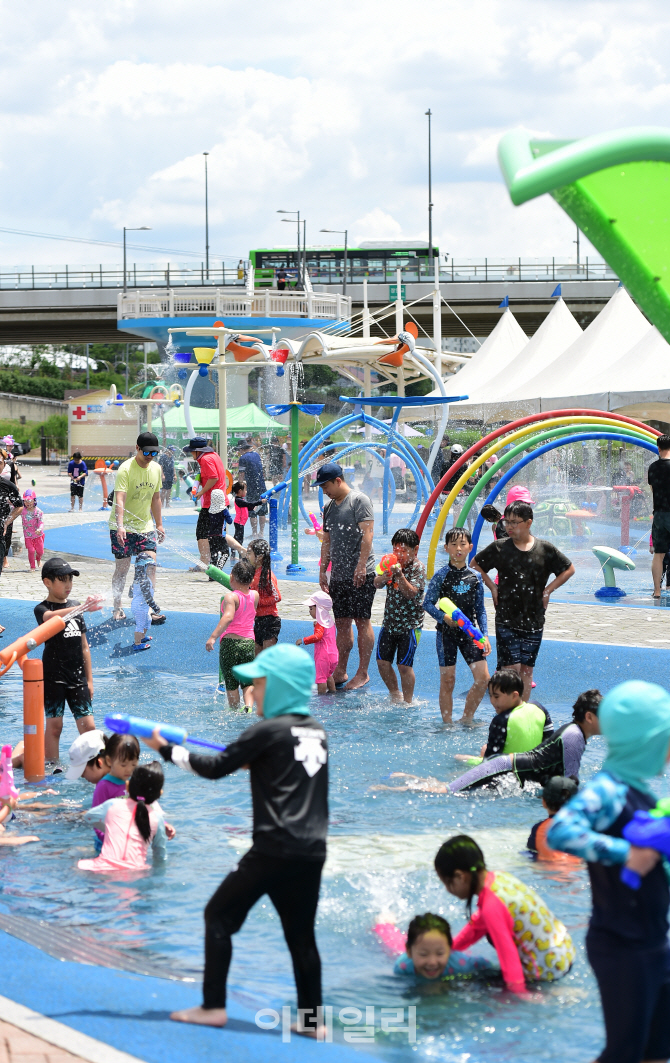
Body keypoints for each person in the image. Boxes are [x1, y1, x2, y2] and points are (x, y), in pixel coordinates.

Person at [141, 645, 328, 1037]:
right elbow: (283, 768)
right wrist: (253, 759)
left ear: (278, 688)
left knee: (218, 916)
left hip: (273, 849)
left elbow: (212, 768)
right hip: (310, 851)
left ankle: (212, 1007)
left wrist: (166, 749)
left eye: (258, 684)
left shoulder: (265, 731)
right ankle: (313, 1021)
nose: (253, 693)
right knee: (301, 936)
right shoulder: (315, 732)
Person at [548, 681, 670, 1063]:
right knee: (624, 1052)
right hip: (620, 944)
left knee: (657, 1050)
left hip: (653, 941)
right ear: (645, 742)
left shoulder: (644, 796)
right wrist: (624, 852)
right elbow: (562, 829)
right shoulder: (608, 790)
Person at [435, 835, 575, 993]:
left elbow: (508, 956)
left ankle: (550, 992)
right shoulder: (499, 877)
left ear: (460, 877)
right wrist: (450, 948)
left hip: (547, 970)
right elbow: (477, 926)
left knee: (470, 985)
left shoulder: (491, 906)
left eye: (446, 883)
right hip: (564, 953)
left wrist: (518, 994)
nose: (448, 889)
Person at [472, 499, 575, 699]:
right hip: (506, 619)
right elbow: (475, 565)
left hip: (534, 619)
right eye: (506, 522)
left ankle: (522, 713)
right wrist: (492, 587)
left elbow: (568, 569)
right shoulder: (500, 547)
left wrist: (547, 591)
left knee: (526, 671)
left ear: (528, 523)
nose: (508, 526)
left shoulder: (544, 549)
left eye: (514, 522)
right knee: (511, 670)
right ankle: (505, 715)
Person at [449, 686, 600, 795]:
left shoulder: (575, 733)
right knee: (444, 791)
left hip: (505, 768)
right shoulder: (575, 736)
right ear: (589, 717)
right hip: (502, 769)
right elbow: (570, 785)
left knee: (447, 789)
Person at [35, 558, 102, 763]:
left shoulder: (76, 608)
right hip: (53, 677)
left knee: (89, 727)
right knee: (55, 727)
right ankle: (53, 765)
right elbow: (50, 619)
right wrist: (82, 608)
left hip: (78, 677)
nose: (68, 585)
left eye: (70, 580)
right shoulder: (42, 608)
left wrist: (89, 680)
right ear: (47, 582)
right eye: (63, 580)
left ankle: (93, 765)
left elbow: (84, 648)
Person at [318, 462, 375, 691]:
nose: (324, 490)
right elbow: (327, 540)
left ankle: (363, 672)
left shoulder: (359, 501)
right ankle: (341, 668)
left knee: (362, 621)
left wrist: (361, 567)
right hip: (339, 574)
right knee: (341, 622)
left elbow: (367, 535)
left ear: (338, 480)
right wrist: (323, 570)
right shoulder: (329, 508)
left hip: (362, 573)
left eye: (326, 485)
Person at [424, 527, 491, 723]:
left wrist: (484, 635)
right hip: (447, 634)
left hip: (470, 634)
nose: (458, 549)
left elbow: (481, 609)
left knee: (483, 679)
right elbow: (427, 603)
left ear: (470, 547)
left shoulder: (475, 577)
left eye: (462, 544)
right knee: (448, 680)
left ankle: (467, 718)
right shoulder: (441, 575)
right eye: (453, 545)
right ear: (446, 548)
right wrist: (442, 617)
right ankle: (447, 724)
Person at [109, 433, 165, 621]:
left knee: (150, 567)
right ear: (137, 448)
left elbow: (156, 498)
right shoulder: (125, 469)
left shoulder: (156, 469)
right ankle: (117, 607)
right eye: (147, 452)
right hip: (123, 527)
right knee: (122, 569)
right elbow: (120, 498)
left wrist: (159, 524)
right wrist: (120, 525)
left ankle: (147, 607)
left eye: (154, 453)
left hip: (145, 527)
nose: (150, 456)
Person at [78, 761, 169, 873]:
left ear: (127, 786)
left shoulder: (112, 805)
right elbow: (160, 853)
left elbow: (89, 817)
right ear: (160, 793)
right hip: (136, 872)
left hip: (102, 868)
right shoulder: (157, 818)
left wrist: (110, 830)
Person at [374, 528, 425, 704]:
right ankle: (395, 693)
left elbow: (410, 593)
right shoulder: (390, 563)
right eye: (396, 550)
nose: (399, 555)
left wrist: (399, 576)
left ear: (415, 550)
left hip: (410, 625)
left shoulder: (418, 568)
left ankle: (408, 701)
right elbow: (376, 583)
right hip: (389, 622)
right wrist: (384, 577)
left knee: (404, 666)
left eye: (404, 551)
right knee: (382, 662)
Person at [373, 911, 494, 981]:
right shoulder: (403, 967)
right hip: (412, 952)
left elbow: (486, 966)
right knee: (394, 946)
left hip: (450, 956)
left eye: (440, 954)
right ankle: (385, 924)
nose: (432, 962)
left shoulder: (462, 963)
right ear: (409, 952)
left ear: (450, 950)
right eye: (424, 955)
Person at [206, 559, 258, 709]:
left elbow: (228, 617)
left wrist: (213, 637)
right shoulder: (255, 595)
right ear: (252, 580)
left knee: (231, 682)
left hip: (230, 644)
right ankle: (248, 706)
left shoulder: (231, 597)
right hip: (248, 643)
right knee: (248, 681)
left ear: (232, 578)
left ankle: (235, 709)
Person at [88, 733, 140, 851]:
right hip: (107, 845)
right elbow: (95, 818)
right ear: (109, 761)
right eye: (123, 764)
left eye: (133, 764)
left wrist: (162, 824)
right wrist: (108, 839)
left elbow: (148, 807)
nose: (129, 769)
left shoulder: (135, 782)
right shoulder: (104, 786)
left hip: (130, 842)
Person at [183, 437, 227, 568]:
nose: (191, 454)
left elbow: (214, 478)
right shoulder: (213, 455)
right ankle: (210, 563)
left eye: (192, 452)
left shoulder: (205, 459)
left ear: (197, 451)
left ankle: (204, 563)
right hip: (219, 501)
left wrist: (200, 492)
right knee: (214, 534)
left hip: (212, 503)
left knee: (202, 533)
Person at [527, 777, 580, 863]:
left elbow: (532, 854)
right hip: (576, 871)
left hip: (547, 870)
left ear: (544, 802)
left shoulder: (537, 829)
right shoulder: (583, 827)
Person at [296, 590, 338, 694]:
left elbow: (318, 637)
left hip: (323, 656)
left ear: (319, 610)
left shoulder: (320, 624)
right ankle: (333, 693)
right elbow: (326, 634)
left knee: (321, 679)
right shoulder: (330, 621)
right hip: (333, 655)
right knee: (328, 675)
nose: (309, 611)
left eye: (311, 609)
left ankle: (321, 698)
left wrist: (303, 640)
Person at [246, 539, 281, 653]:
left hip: (270, 621)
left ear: (260, 556)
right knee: (257, 657)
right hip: (258, 620)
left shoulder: (267, 575)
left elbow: (277, 597)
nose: (247, 555)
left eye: (249, 553)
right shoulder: (253, 572)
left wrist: (258, 602)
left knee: (267, 658)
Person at [647, 433, 670, 599]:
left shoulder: (653, 467)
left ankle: (657, 591)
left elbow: (653, 490)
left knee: (659, 554)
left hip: (660, 514)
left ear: (658, 448)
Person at [129, 552, 164, 650]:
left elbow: (130, 593)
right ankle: (137, 644)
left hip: (140, 605)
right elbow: (147, 596)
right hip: (139, 607)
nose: (152, 569)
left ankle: (142, 637)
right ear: (143, 567)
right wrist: (155, 607)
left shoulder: (138, 579)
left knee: (148, 620)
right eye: (150, 567)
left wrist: (134, 593)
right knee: (140, 625)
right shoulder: (143, 581)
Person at [236, 443, 267, 537]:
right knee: (262, 511)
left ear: (242, 449)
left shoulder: (243, 458)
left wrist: (239, 486)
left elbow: (241, 474)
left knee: (252, 511)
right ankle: (261, 533)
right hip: (262, 486)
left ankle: (254, 533)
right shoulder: (257, 455)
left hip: (251, 487)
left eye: (239, 450)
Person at [0, 456, 23, 575]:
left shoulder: (8, 486)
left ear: (3, 465)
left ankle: (4, 559)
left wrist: (7, 522)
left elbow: (19, 506)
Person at [207, 489, 233, 571]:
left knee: (214, 554)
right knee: (225, 553)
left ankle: (212, 572)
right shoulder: (224, 510)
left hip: (210, 536)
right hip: (220, 535)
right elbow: (230, 521)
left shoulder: (209, 510)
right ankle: (218, 569)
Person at [20, 489, 44, 571]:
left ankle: (38, 559)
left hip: (38, 534)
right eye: (25, 501)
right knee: (31, 550)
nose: (28, 503)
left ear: (34, 500)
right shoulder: (22, 510)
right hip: (28, 535)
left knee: (40, 551)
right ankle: (32, 567)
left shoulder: (38, 512)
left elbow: (41, 522)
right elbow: (14, 508)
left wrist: (39, 529)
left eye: (29, 500)